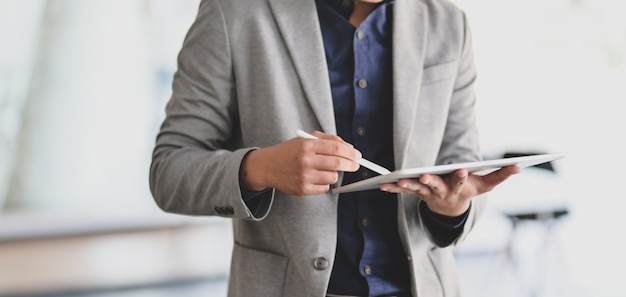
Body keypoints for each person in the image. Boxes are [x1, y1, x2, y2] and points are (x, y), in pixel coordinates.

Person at [149, 0, 520, 296]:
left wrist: (454, 204)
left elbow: (463, 167)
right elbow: (169, 171)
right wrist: (260, 168)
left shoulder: (448, 23)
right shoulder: (233, 11)